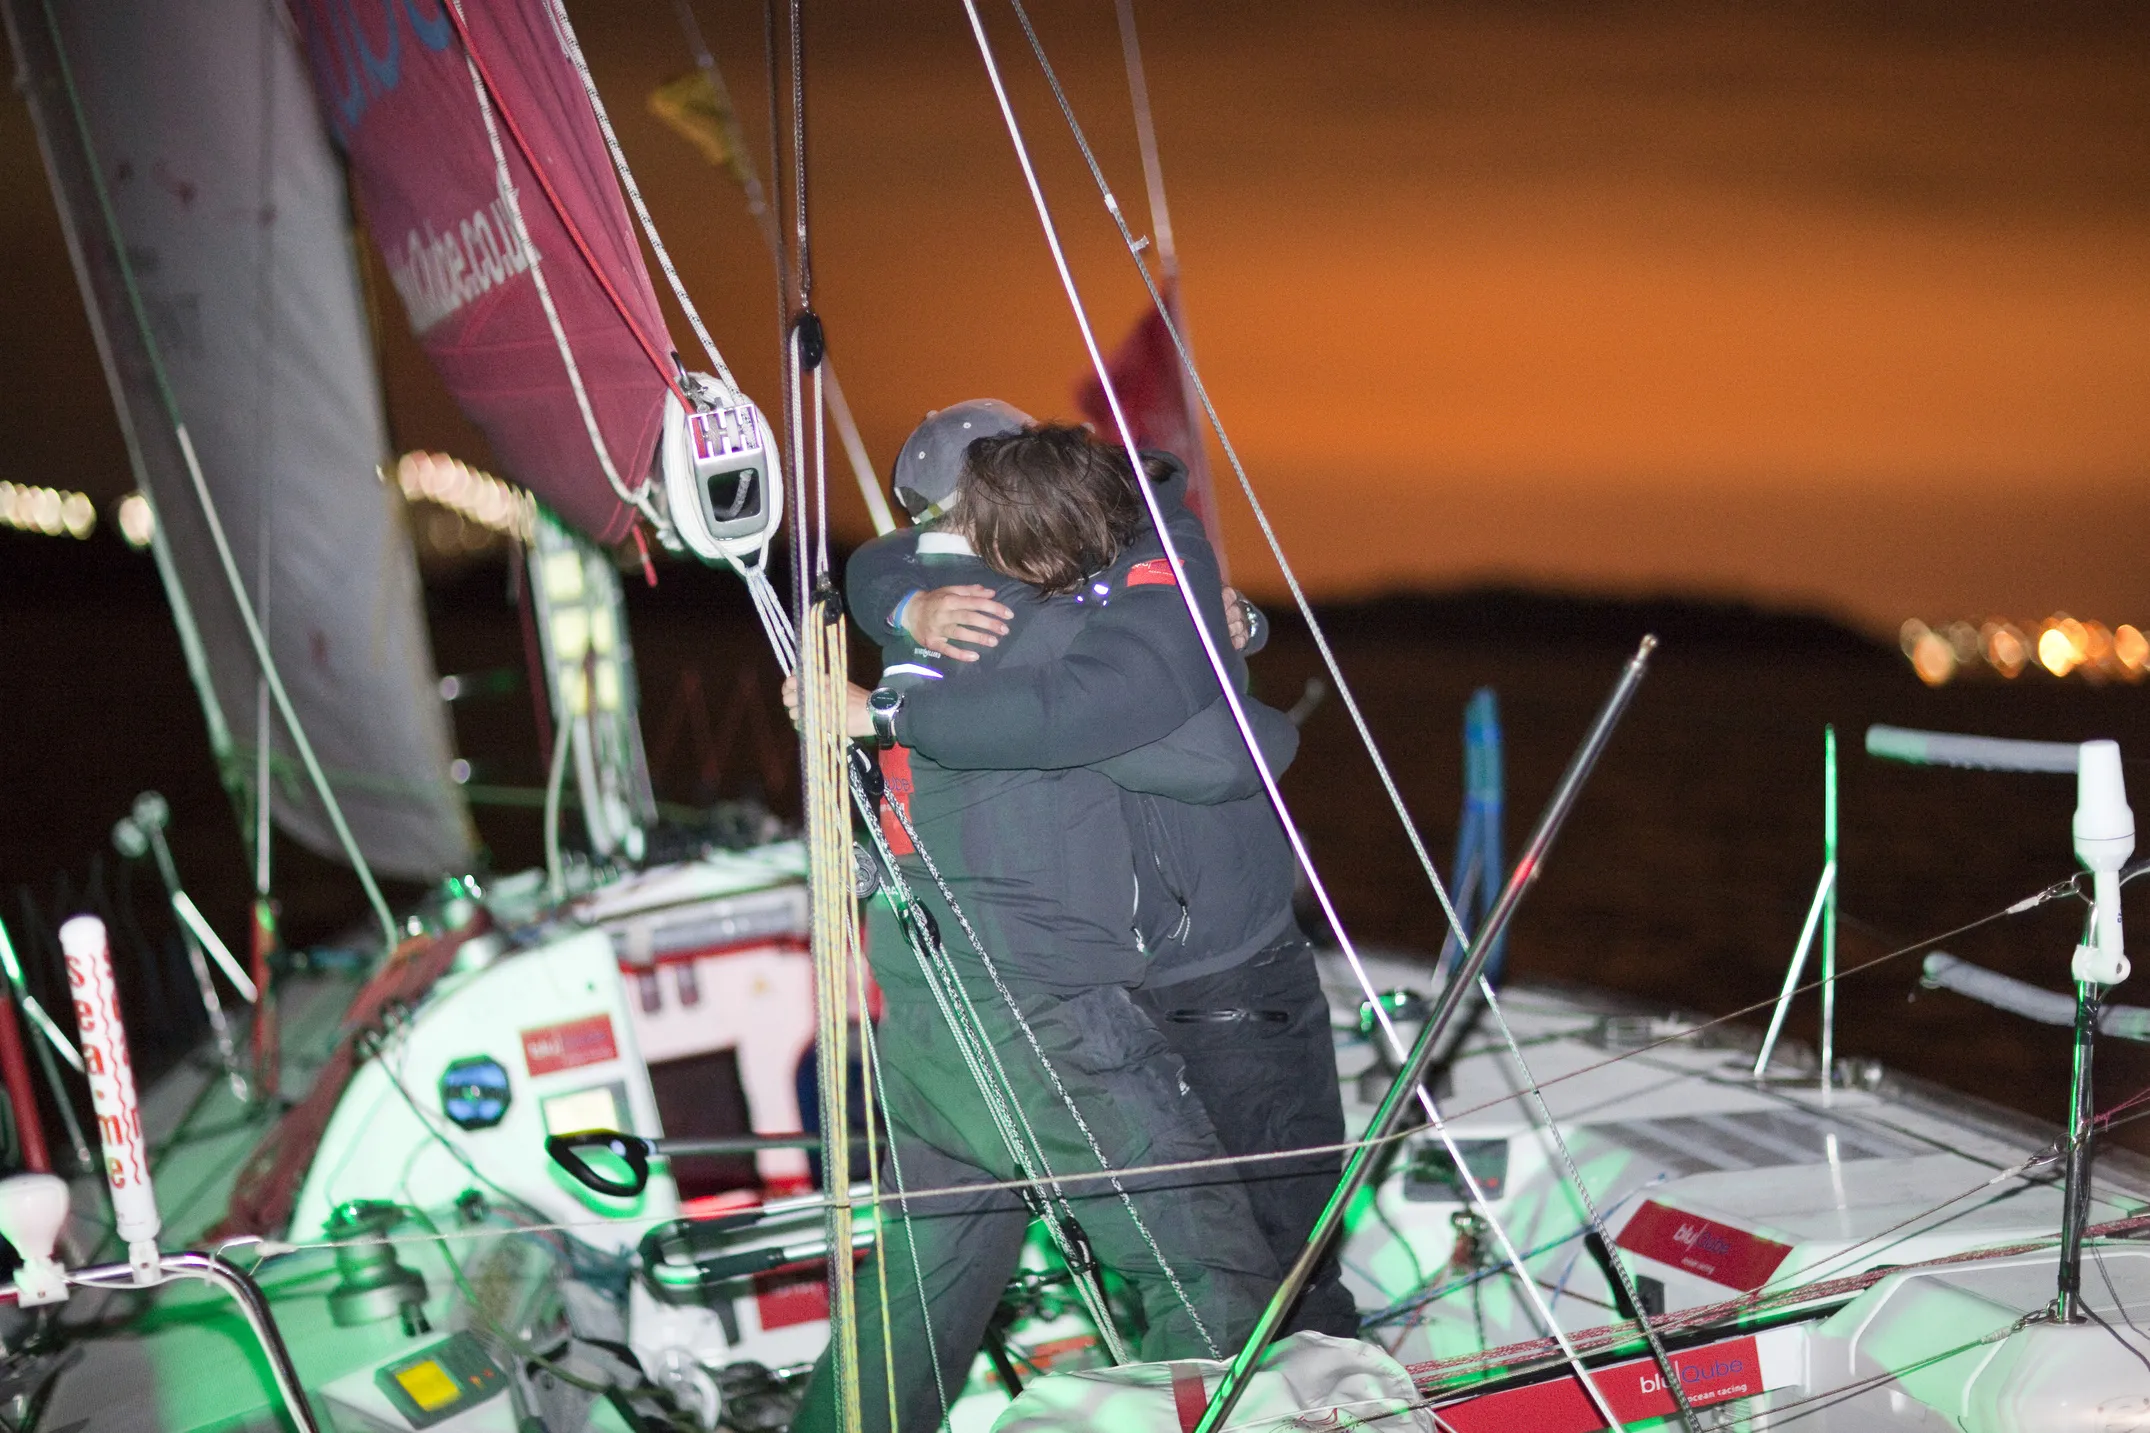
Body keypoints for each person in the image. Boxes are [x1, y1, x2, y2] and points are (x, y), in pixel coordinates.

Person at [790, 411, 1284, 1433]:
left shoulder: (912, 615)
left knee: (921, 1287)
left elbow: (874, 563)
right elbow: (1232, 757)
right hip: (1033, 1000)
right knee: (1207, 1268)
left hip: (922, 990)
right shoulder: (1036, 628)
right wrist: (1215, 653)